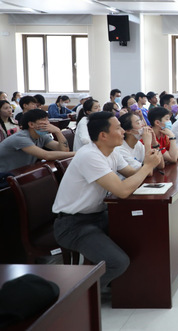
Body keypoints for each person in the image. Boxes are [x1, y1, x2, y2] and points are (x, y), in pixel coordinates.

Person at [52, 112, 162, 293]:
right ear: (103, 135)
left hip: (98, 215)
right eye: (118, 128)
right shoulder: (90, 155)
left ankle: (129, 288)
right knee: (117, 262)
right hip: (73, 224)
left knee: (141, 230)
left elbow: (133, 175)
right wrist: (148, 166)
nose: (123, 131)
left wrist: (147, 164)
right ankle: (80, 297)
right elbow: (122, 191)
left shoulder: (112, 152)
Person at [0, 109, 74, 173]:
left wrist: (58, 132)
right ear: (31, 124)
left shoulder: (41, 136)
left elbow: (64, 150)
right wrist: (76, 153)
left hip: (19, 173)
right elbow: (46, 155)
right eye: (43, 120)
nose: (48, 123)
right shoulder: (21, 138)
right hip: (4, 176)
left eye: (47, 120)